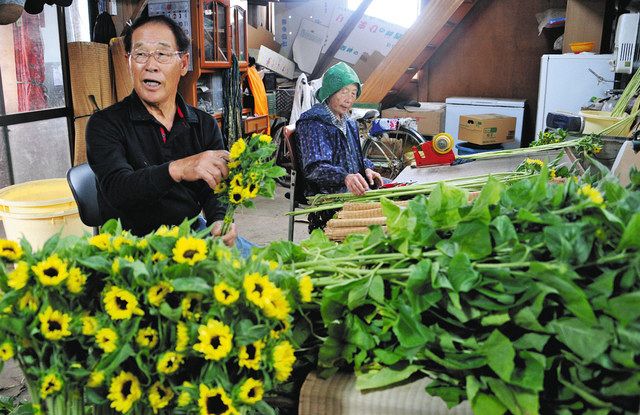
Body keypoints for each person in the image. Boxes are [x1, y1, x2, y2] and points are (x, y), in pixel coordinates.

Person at [86, 14, 245, 250]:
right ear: (128, 61)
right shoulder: (104, 124)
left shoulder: (203, 124)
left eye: (162, 54)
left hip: (191, 237)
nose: (151, 65)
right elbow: (118, 190)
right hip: (130, 246)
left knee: (268, 271)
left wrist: (218, 220)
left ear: (182, 64)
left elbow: (214, 188)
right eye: (140, 54)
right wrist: (178, 169)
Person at [295, 62, 383, 231]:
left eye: (353, 93)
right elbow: (315, 168)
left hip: (350, 188)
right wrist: (345, 177)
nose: (349, 99)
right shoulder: (314, 123)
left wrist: (367, 169)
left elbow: (353, 157)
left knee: (401, 192)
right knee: (386, 210)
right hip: (328, 193)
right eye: (344, 91)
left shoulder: (348, 122)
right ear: (329, 92)